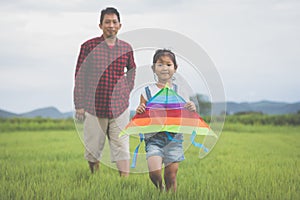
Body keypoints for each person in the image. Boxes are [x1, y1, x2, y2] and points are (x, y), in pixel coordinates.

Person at [73, 7, 136, 176]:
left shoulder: (126, 48)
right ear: (100, 25)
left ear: (120, 25)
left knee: (122, 145)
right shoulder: (88, 46)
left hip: (119, 107)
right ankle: (94, 175)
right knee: (93, 147)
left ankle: (125, 181)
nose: (111, 25)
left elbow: (132, 71)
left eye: (114, 22)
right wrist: (79, 104)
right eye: (107, 22)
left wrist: (126, 91)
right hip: (94, 106)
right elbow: (80, 76)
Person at [136, 49, 196, 192]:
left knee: (171, 175)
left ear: (175, 68)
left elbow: (187, 112)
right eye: (160, 64)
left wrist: (191, 107)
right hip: (153, 138)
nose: (164, 68)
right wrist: (140, 110)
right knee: (154, 172)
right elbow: (142, 113)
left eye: (169, 64)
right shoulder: (147, 91)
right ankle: (160, 188)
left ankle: (170, 194)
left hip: (174, 139)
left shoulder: (180, 91)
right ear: (154, 68)